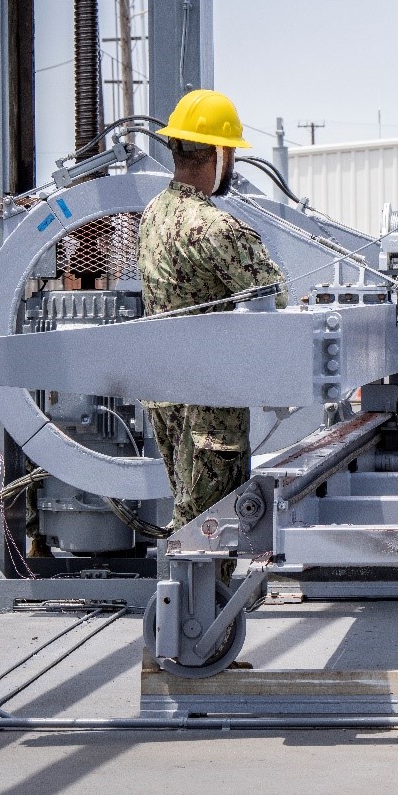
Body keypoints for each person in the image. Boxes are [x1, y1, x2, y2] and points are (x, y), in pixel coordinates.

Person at [138, 90, 288, 553]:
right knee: (212, 527)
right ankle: (198, 620)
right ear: (220, 154)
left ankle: (190, 610)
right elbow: (275, 302)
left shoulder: (152, 214)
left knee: (187, 509)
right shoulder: (217, 227)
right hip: (211, 404)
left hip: (164, 394)